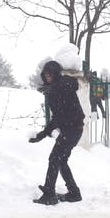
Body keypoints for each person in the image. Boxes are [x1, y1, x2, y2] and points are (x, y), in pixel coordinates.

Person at [29, 60, 85, 205]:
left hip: (72, 129)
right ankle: (74, 193)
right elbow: (59, 116)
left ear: (56, 74)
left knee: (54, 159)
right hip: (74, 129)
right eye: (46, 75)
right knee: (61, 160)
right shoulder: (59, 87)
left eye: (50, 74)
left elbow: (59, 117)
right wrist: (51, 89)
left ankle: (49, 194)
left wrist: (42, 134)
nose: (48, 77)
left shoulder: (61, 88)